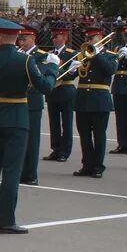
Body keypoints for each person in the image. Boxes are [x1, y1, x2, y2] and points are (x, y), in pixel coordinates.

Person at [0, 17, 59, 233]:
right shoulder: (25, 61)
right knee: (11, 172)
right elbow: (46, 88)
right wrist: (52, 69)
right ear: (16, 38)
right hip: (17, 119)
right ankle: (7, 220)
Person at [73, 23, 117, 179]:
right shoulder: (82, 55)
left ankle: (98, 166)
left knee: (99, 135)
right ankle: (87, 165)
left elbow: (109, 70)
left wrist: (97, 55)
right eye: (88, 38)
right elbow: (72, 76)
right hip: (82, 99)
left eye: (92, 38)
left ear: (101, 39)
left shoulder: (110, 55)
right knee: (84, 135)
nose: (89, 41)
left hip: (100, 100)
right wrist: (71, 68)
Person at [43, 22, 78, 163]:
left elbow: (72, 74)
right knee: (54, 122)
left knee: (67, 122)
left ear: (64, 37)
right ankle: (56, 149)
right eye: (52, 36)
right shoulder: (50, 55)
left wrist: (55, 71)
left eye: (56, 36)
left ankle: (65, 151)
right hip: (53, 91)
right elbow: (44, 71)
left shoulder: (71, 53)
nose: (53, 39)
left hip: (66, 90)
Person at [18, 25, 48, 186]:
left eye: (25, 38)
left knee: (32, 140)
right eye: (20, 39)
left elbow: (39, 78)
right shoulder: (17, 55)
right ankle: (19, 170)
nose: (22, 41)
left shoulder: (41, 56)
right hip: (17, 100)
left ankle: (30, 174)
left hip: (32, 101)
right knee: (17, 139)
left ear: (33, 38)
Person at [110, 23, 127, 155]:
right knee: (120, 117)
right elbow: (111, 67)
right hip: (119, 85)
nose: (126, 37)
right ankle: (122, 144)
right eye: (125, 35)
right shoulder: (118, 48)